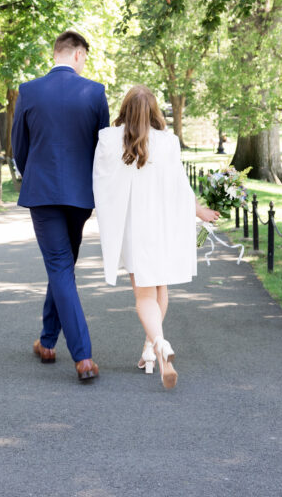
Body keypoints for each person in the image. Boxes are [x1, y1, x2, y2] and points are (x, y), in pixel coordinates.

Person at [93, 85, 219, 390]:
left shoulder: (109, 139)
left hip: (134, 227)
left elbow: (99, 182)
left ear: (124, 108)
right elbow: (180, 185)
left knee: (144, 295)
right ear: (154, 111)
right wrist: (198, 210)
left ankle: (159, 345)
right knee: (160, 289)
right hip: (163, 225)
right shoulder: (168, 142)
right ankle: (149, 350)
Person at [11, 30, 110, 384]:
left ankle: (82, 356)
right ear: (78, 55)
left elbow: (19, 148)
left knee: (60, 267)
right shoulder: (95, 92)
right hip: (80, 196)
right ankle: (49, 343)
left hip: (43, 191)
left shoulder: (29, 90)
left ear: (56, 53)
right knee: (63, 267)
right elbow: (103, 150)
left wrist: (35, 173)